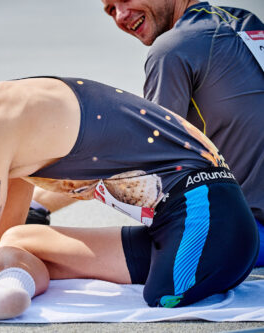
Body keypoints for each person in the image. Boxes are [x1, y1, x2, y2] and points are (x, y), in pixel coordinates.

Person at [0, 76, 258, 323]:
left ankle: (5, 296)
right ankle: (7, 295)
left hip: (204, 235)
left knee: (162, 293)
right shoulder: (8, 118)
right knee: (16, 242)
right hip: (205, 230)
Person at [18, 0, 264, 267]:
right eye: (111, 9)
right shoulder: (247, 24)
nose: (121, 16)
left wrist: (38, 200)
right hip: (247, 227)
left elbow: (142, 162)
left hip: (242, 239)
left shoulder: (173, 48)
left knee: (26, 243)